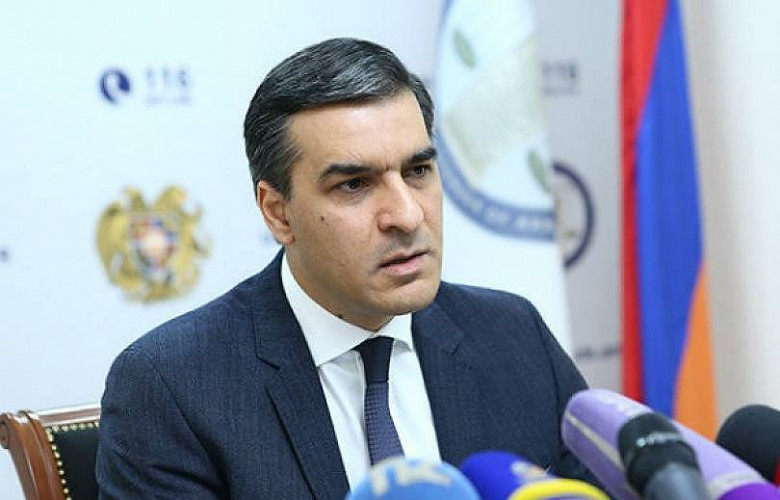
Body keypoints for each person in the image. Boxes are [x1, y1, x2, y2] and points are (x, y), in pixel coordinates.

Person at [96, 37, 595, 499]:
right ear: (278, 212)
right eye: (354, 184)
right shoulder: (173, 387)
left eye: (418, 171)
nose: (407, 215)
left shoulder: (512, 334)